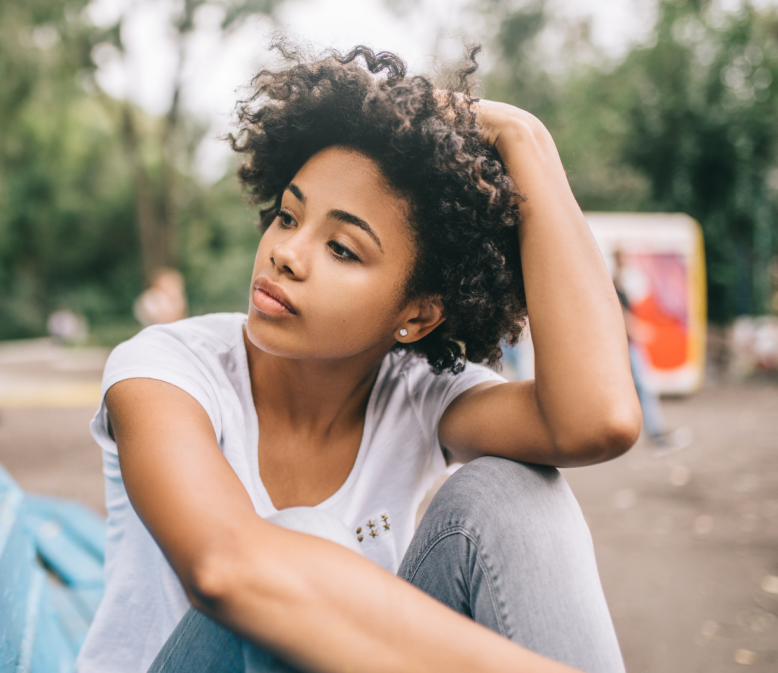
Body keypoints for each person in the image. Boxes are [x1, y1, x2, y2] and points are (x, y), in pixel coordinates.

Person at [78, 46, 643, 673]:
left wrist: (524, 137)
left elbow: (596, 421)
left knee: (513, 489)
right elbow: (225, 568)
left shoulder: (420, 397)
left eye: (342, 249)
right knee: (299, 541)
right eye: (288, 216)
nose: (286, 253)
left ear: (417, 315)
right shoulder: (168, 369)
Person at [612, 249, 693, 455]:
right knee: (643, 387)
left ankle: (654, 432)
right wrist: (636, 330)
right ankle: (655, 433)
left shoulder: (620, 282)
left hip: (625, 344)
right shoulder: (614, 283)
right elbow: (620, 313)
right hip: (627, 345)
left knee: (637, 387)